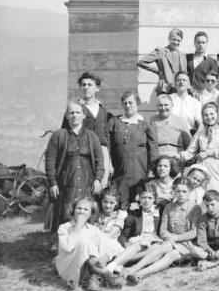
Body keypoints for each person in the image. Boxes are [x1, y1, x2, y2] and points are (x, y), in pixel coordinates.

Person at [125, 178, 206, 284]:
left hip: (188, 244)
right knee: (166, 249)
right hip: (169, 241)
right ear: (174, 191)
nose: (181, 194)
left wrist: (176, 238)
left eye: (184, 191)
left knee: (171, 253)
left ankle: (140, 273)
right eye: (178, 191)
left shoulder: (195, 208)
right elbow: (163, 230)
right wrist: (169, 237)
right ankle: (136, 268)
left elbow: (194, 232)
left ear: (190, 192)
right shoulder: (169, 207)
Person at [46, 102, 105, 232]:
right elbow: (50, 160)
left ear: (84, 115)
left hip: (87, 182)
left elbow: (99, 160)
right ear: (67, 116)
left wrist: (98, 179)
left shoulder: (91, 136)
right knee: (67, 212)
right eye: (71, 112)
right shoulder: (58, 135)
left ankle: (85, 244)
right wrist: (53, 182)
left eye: (78, 112)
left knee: (85, 211)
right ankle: (64, 243)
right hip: (66, 183)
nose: (74, 115)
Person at [54, 197, 123, 291]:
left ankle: (94, 276)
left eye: (86, 209)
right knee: (85, 240)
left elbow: (114, 247)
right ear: (73, 210)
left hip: (84, 268)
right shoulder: (64, 227)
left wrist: (105, 257)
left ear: (91, 213)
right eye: (79, 208)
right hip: (69, 267)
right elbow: (68, 247)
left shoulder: (93, 229)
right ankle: (103, 274)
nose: (82, 211)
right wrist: (78, 226)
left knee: (102, 239)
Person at [108, 91, 158, 208]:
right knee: (120, 198)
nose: (128, 105)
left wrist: (152, 168)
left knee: (137, 200)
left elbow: (153, 147)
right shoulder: (115, 122)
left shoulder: (146, 123)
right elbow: (108, 144)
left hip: (139, 167)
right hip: (119, 168)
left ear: (138, 103)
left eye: (131, 102)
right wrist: (108, 162)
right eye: (125, 103)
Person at [63, 71, 112, 186]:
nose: (86, 87)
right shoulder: (75, 109)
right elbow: (66, 132)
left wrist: (109, 161)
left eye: (90, 85)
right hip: (83, 152)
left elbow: (106, 136)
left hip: (101, 152)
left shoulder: (102, 110)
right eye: (83, 85)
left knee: (101, 186)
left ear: (97, 88)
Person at [179, 102, 219, 194]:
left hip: (217, 166)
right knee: (199, 193)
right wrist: (180, 156)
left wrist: (208, 153)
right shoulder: (201, 130)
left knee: (213, 193)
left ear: (217, 114)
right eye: (206, 115)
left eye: (212, 114)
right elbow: (191, 151)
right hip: (201, 166)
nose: (209, 117)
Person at [105, 188, 162, 274]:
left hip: (153, 241)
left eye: (150, 198)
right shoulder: (133, 215)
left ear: (154, 200)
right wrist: (125, 244)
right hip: (137, 242)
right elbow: (123, 236)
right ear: (139, 199)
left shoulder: (159, 212)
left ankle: (118, 261)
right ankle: (116, 263)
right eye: (144, 197)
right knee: (139, 242)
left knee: (156, 248)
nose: (146, 200)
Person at [137, 28, 187, 94]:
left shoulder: (182, 55)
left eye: (178, 40)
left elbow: (184, 74)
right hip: (165, 88)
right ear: (169, 39)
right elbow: (141, 62)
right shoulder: (160, 51)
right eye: (174, 39)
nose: (176, 42)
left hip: (178, 89)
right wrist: (158, 71)